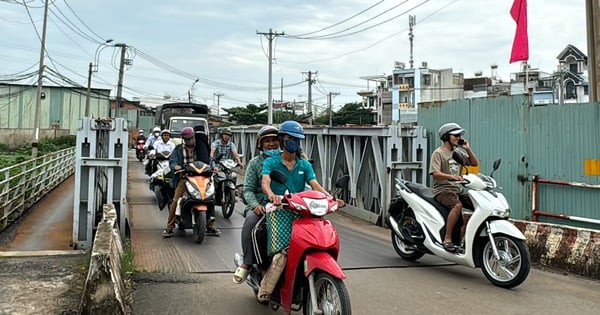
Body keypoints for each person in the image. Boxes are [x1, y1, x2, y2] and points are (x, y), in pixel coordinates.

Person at [258, 120, 345, 302]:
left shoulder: (304, 165)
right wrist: (272, 195)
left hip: (301, 208)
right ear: (282, 139)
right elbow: (265, 183)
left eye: (297, 138)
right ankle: (266, 289)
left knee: (316, 239)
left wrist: (331, 199)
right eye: (289, 138)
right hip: (279, 208)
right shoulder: (271, 162)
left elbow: (315, 185)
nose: (293, 142)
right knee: (284, 250)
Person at [232, 125, 281, 284]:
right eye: (267, 141)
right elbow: (248, 190)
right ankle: (248, 261)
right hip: (261, 204)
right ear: (261, 144)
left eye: (274, 140)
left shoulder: (287, 159)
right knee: (251, 223)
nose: (272, 144)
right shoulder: (255, 163)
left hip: (286, 205)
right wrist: (255, 205)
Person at [429, 122, 478, 253]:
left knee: (478, 205)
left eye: (459, 135)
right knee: (457, 206)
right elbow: (436, 173)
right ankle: (447, 239)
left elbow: (474, 163)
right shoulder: (438, 153)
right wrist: (452, 177)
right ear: (446, 137)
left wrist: (467, 148)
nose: (458, 138)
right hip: (442, 190)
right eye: (455, 135)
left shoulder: (457, 154)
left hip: (457, 190)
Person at [162, 127, 220, 237]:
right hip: (185, 178)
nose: (189, 141)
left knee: (211, 198)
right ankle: (169, 227)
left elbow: (209, 160)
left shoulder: (200, 148)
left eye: (191, 138)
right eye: (187, 139)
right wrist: (176, 167)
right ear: (183, 139)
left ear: (194, 137)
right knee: (176, 200)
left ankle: (211, 225)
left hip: (201, 178)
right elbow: (172, 162)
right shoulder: (178, 149)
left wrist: (214, 167)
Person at [210, 127, 244, 205]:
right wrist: (213, 163)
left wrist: (239, 162)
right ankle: (213, 194)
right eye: (225, 135)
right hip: (217, 165)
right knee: (216, 180)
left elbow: (235, 154)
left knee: (233, 176)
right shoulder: (216, 143)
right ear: (222, 135)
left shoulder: (231, 144)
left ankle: (232, 194)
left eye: (228, 135)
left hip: (227, 165)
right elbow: (212, 153)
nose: (226, 137)